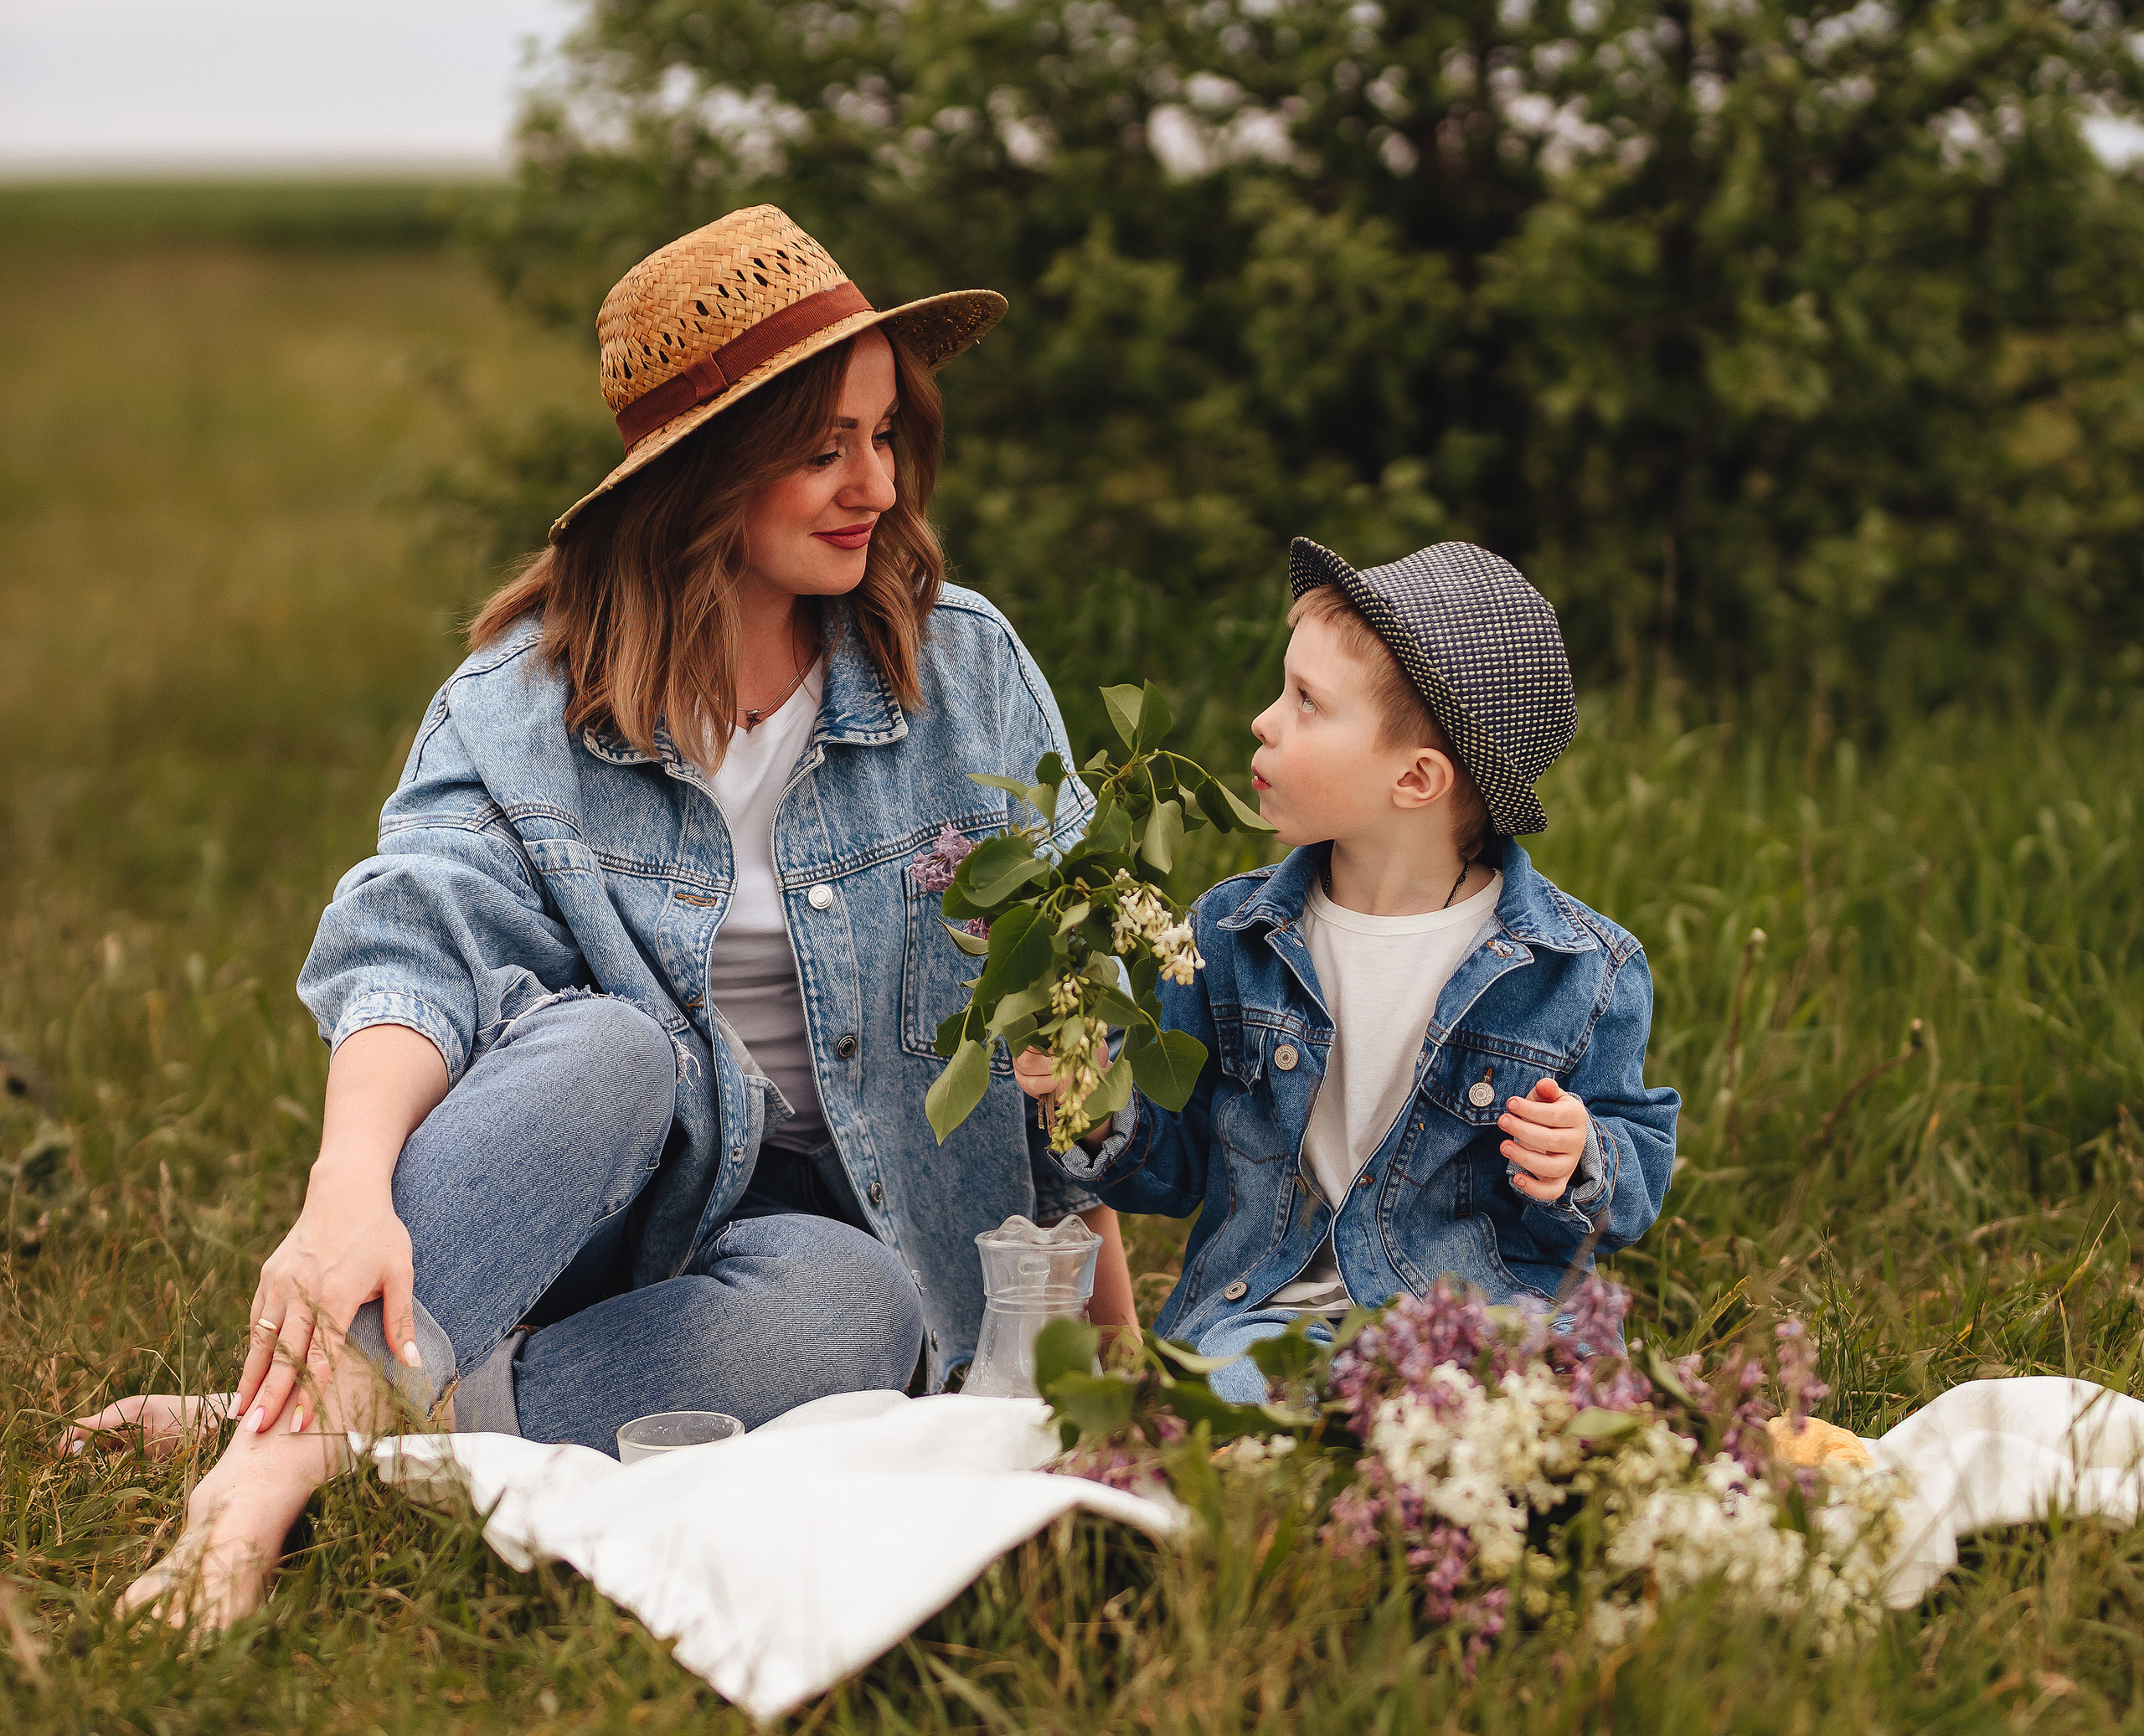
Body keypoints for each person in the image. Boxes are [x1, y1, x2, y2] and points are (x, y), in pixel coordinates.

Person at [82, 203, 1135, 1624]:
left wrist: (1116, 1342)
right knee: (611, 1048)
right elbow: (414, 944)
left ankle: (347, 1415)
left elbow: (1068, 995)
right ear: (706, 470)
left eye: (887, 436)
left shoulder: (966, 673)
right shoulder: (520, 706)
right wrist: (344, 1191)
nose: (876, 486)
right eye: (823, 448)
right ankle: (255, 1486)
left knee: (864, 1309)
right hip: (598, 1216)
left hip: (816, 1253)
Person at [1016, 538, 1678, 1399]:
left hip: (1476, 1322)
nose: (1263, 721)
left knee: (1526, 1402)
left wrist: (1581, 1155)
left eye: (1306, 703)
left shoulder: (1578, 968)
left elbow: (1633, 1178)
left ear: (1416, 778)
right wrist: (1096, 1108)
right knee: (1229, 1395)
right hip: (1270, 1318)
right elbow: (1173, 1167)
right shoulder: (1231, 934)